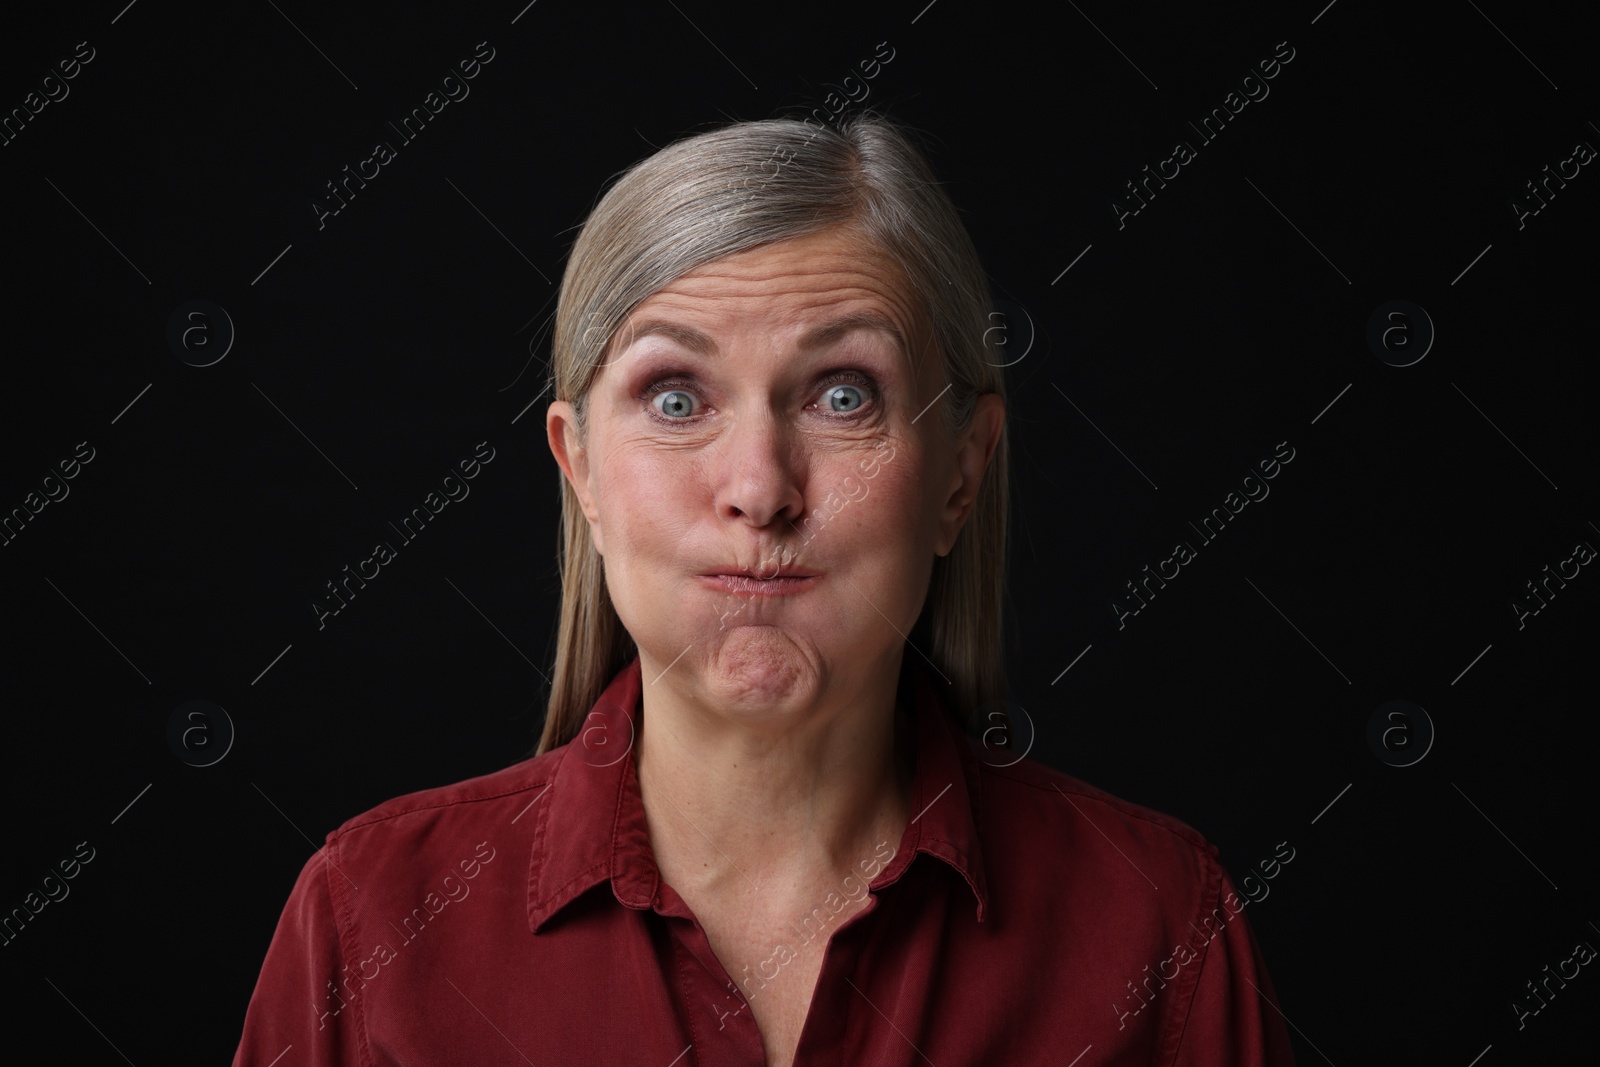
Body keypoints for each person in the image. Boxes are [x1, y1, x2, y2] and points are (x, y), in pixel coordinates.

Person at [232, 111, 1297, 1066]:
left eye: (843, 395)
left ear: (959, 475)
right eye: (676, 395)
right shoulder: (369, 919)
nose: (760, 488)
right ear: (581, 469)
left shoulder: (1160, 924)